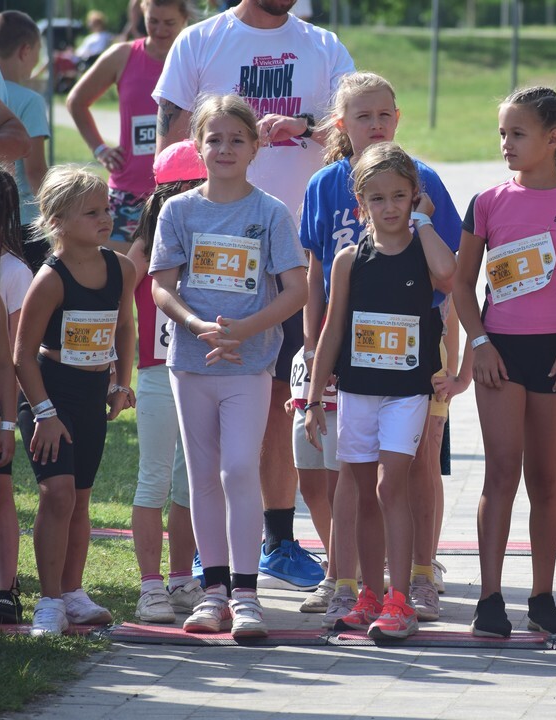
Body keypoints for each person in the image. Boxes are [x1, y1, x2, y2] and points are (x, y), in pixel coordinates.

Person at [154, 0, 354, 595]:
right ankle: (211, 558)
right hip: (207, 272)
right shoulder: (200, 40)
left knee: (279, 409)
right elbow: (168, 145)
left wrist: (304, 127)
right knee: (210, 442)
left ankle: (277, 541)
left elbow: (356, 130)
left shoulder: (324, 46)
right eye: (217, 140)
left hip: (297, 256)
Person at [299, 71, 461, 626]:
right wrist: (312, 385)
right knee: (356, 480)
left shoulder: (423, 195)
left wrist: (452, 362)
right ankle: (357, 588)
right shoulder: (339, 225)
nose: (374, 124)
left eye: (383, 114)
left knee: (404, 477)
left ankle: (412, 584)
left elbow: (451, 280)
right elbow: (325, 307)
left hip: (413, 377)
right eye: (362, 115)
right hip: (356, 379)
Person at [150, 94, 308, 638]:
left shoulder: (270, 212)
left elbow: (296, 290)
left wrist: (244, 329)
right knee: (202, 477)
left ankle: (246, 594)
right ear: (197, 146)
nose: (225, 148)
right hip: (191, 364)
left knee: (239, 469)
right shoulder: (178, 210)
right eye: (214, 139)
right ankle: (213, 592)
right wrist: (198, 325)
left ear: (255, 146)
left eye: (237, 139)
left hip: (250, 364)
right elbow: (161, 286)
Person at [455, 86, 556, 638]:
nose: (506, 143)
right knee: (500, 473)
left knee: (545, 478)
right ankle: (489, 598)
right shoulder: (487, 202)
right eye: (502, 133)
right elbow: (461, 285)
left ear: (553, 138)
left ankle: (542, 597)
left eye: (517, 133)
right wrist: (480, 344)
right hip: (500, 353)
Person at [16, 166, 137, 636]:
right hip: (49, 393)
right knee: (58, 493)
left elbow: (123, 326)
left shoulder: (121, 267)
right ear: (57, 221)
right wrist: (44, 414)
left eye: (106, 208)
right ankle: (49, 602)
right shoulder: (50, 278)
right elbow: (22, 355)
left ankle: (73, 593)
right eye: (91, 213)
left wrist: (119, 383)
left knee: (81, 498)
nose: (105, 218)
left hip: (91, 395)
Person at [128, 140, 207, 624]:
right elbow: (118, 290)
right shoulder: (145, 245)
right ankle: (150, 586)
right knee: (154, 479)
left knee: (190, 483)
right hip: (157, 374)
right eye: (192, 188)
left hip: (199, 370)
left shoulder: (215, 234)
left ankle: (181, 580)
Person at [67, 0, 191, 252]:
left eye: (169, 22)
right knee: (116, 271)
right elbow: (76, 101)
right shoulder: (123, 55)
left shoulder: (194, 58)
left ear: (184, 19)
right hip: (128, 192)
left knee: (170, 273)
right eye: (153, 21)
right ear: (142, 14)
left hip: (181, 189)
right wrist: (100, 149)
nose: (160, 30)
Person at [0, 170, 23, 624]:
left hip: (2, 403)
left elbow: (14, 360)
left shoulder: (16, 274)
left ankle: (5, 587)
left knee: (2, 493)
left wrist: (8, 421)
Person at [0, 12, 48, 233]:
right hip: (24, 220)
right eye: (39, 50)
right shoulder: (30, 101)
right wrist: (55, 213)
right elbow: (35, 171)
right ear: (26, 51)